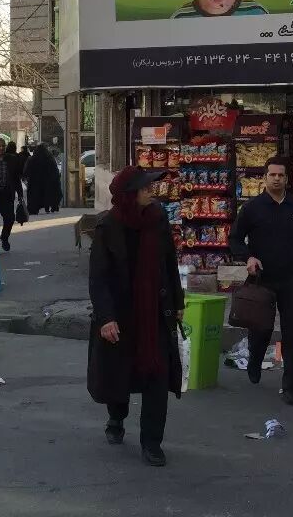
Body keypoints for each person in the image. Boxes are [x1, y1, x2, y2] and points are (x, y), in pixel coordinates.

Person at [87, 165, 184, 467]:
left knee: (157, 375)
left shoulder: (157, 220)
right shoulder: (107, 227)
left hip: (155, 312)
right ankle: (116, 418)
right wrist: (106, 318)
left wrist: (178, 302)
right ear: (129, 195)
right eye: (144, 188)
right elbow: (99, 278)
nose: (150, 191)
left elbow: (169, 263)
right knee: (119, 376)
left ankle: (152, 442)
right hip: (120, 315)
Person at [229, 155, 293, 405]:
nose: (276, 179)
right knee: (261, 329)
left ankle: (290, 385)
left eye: (280, 175)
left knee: (291, 332)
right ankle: (255, 359)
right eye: (272, 175)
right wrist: (248, 257)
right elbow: (234, 238)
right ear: (265, 178)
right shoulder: (252, 208)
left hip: (290, 279)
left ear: (286, 179)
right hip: (261, 280)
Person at [25, 143, 62, 215]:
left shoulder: (32, 159)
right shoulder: (50, 158)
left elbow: (27, 170)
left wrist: (26, 177)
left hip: (35, 182)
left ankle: (34, 209)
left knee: (35, 195)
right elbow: (55, 171)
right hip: (47, 181)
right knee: (47, 194)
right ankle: (48, 207)